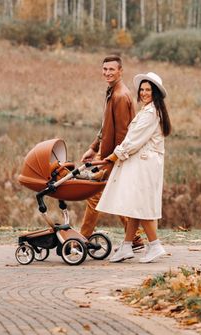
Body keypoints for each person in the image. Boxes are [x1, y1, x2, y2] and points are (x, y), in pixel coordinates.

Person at [96, 72, 171, 263]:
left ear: (155, 93)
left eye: (149, 90)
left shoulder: (150, 113)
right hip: (142, 163)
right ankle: (127, 245)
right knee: (134, 205)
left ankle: (154, 245)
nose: (144, 93)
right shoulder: (149, 111)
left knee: (140, 205)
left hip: (144, 164)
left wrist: (114, 155)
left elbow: (133, 140)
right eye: (143, 89)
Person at [79, 55, 144, 250]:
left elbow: (124, 134)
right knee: (112, 196)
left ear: (120, 71)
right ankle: (136, 239)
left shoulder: (120, 96)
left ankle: (82, 240)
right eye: (105, 69)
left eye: (111, 69)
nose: (107, 72)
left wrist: (111, 160)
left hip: (113, 157)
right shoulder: (112, 92)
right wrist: (93, 148)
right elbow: (106, 127)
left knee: (95, 196)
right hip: (107, 154)